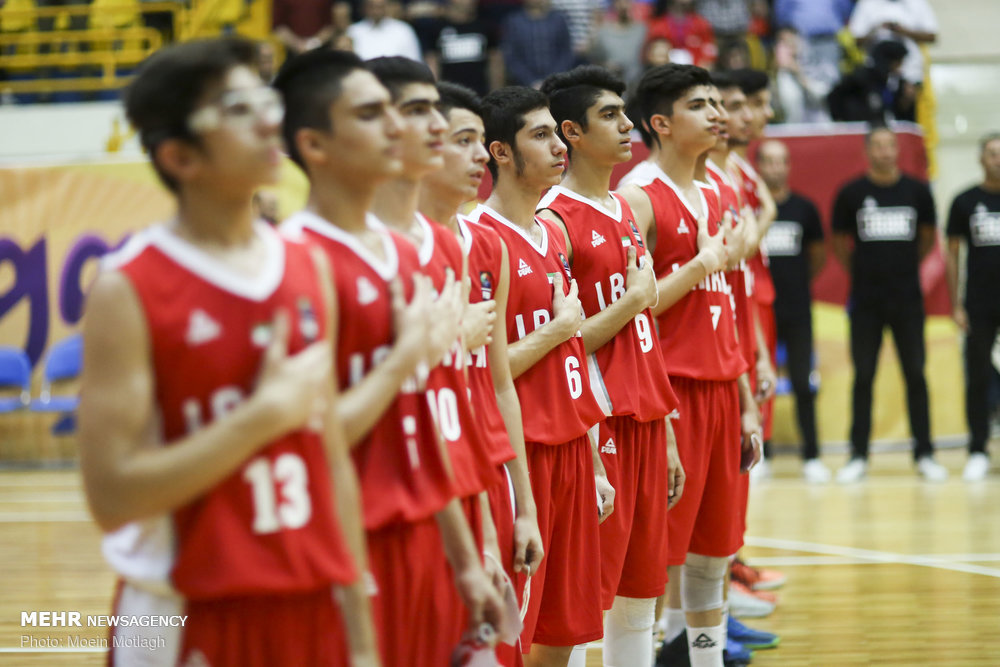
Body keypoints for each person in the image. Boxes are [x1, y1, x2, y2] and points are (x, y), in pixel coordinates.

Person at [77, 38, 378, 666]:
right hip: (182, 611)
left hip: (306, 595)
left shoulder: (305, 265)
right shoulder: (127, 288)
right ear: (180, 156)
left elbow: (330, 461)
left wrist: (358, 619)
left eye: (264, 99)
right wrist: (263, 417)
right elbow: (112, 498)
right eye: (237, 108)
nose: (271, 118)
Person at [273, 48, 504, 667]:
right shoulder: (295, 262)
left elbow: (429, 428)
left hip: (428, 526)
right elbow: (306, 442)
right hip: (340, 542)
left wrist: (468, 553)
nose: (417, 127)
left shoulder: (411, 255)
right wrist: (405, 358)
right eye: (385, 113)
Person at [364, 55, 513, 657]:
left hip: (460, 485)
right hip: (365, 524)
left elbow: (442, 415)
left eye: (435, 111)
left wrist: (476, 544)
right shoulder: (316, 258)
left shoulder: (453, 249)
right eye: (416, 110)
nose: (431, 125)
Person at [537, 65, 685, 667]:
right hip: (603, 423)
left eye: (627, 115)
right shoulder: (554, 219)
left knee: (639, 597)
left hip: (647, 416)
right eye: (610, 117)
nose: (628, 128)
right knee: (583, 602)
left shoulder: (623, 209)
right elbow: (564, 345)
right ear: (570, 132)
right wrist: (631, 301)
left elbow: (644, 338)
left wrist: (668, 430)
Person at [618, 63, 761, 667]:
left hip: (724, 390)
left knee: (713, 554)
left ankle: (702, 660)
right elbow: (635, 310)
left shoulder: (720, 191)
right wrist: (700, 265)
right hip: (669, 391)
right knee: (655, 560)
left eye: (716, 102)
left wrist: (748, 399)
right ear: (661, 123)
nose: (718, 114)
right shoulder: (636, 197)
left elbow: (728, 303)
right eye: (700, 105)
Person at [470, 85, 610, 667]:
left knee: (564, 628)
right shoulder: (478, 239)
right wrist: (554, 331)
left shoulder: (551, 232)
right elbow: (485, 371)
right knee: (515, 635)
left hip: (572, 447)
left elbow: (574, 356)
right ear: (500, 152)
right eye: (541, 135)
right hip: (520, 453)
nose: (559, 146)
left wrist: (596, 457)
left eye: (558, 133)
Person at [420, 80, 547, 667]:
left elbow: (499, 384)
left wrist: (520, 507)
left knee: (498, 650)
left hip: (484, 478)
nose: (479, 155)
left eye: (480, 140)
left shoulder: (480, 247)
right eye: (463, 139)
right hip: (418, 488)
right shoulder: (386, 253)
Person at [831, 126, 947, 483]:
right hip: (865, 302)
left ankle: (925, 454)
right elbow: (838, 244)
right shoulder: (851, 193)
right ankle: (858, 456)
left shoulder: (917, 191)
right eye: (877, 146)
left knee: (916, 374)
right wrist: (864, 272)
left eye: (889, 145)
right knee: (863, 376)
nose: (884, 151)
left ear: (897, 150)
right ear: (867, 151)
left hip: (908, 300)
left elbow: (927, 240)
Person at [756, 139, 830, 482]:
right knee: (762, 384)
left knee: (802, 382)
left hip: (797, 310)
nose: (775, 168)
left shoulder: (804, 208)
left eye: (781, 162)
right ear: (758, 166)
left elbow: (817, 256)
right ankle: (763, 456)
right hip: (759, 311)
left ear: (788, 166)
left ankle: (811, 456)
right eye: (768, 162)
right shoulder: (749, 209)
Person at [945, 132, 1000, 482]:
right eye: (993, 154)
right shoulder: (965, 201)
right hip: (979, 303)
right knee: (977, 377)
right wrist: (956, 304)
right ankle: (978, 449)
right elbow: (951, 256)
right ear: (981, 159)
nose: (998, 160)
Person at [423, 0, 504, 95]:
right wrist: (435, 93)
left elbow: (495, 62)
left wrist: (496, 93)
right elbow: (432, 62)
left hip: (480, 93)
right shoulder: (436, 27)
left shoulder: (486, 25)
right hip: (448, 95)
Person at [500, 0, 576, 88]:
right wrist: (531, 81)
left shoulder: (558, 20)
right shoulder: (513, 21)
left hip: (557, 84)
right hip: (523, 85)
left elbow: (566, 52)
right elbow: (511, 56)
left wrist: (551, 80)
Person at [347, 0, 423, 61]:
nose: (376, 11)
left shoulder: (403, 30)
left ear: (387, 6)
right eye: (372, 6)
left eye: (380, 7)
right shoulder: (353, 31)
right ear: (365, 7)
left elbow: (414, 61)